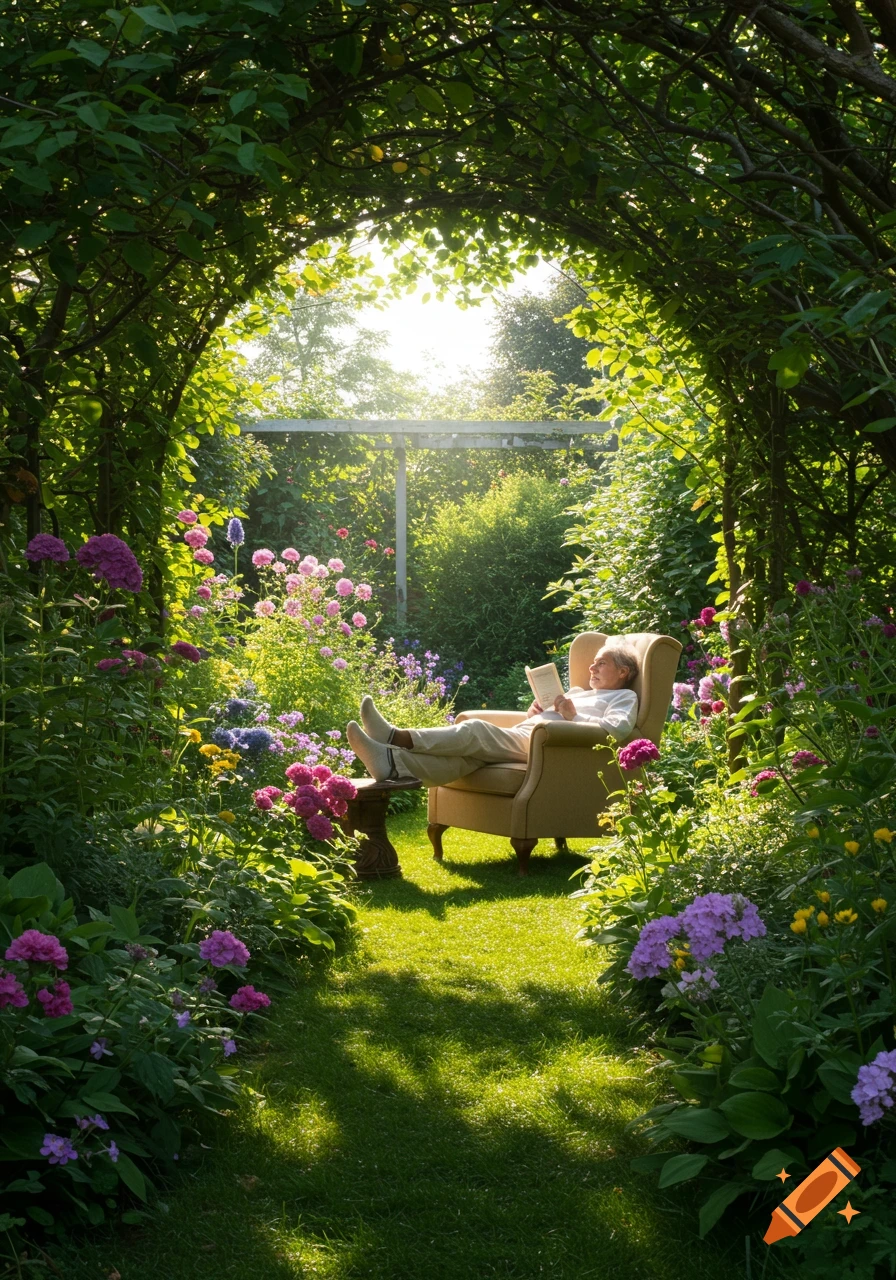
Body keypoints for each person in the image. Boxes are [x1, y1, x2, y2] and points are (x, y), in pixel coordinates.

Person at [346, 646, 640, 786]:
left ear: (623, 672)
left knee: (474, 731)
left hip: (552, 747)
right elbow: (552, 715)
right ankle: (391, 765)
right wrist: (537, 710)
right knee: (467, 760)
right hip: (529, 736)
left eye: (601, 664)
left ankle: (395, 737)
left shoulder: (624, 697)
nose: (592, 668)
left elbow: (617, 731)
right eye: (592, 662)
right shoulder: (576, 691)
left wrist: (572, 717)